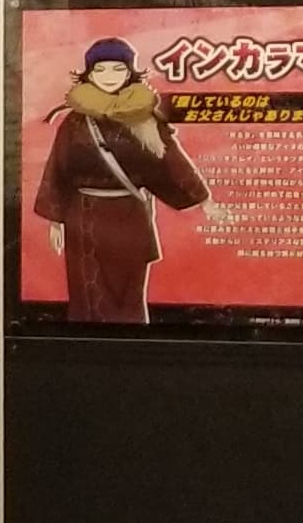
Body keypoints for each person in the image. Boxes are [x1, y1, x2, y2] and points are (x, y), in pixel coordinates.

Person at [29, 38, 210, 324]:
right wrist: (55, 219)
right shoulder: (76, 121)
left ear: (130, 73)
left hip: (129, 217)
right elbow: (58, 168)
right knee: (87, 294)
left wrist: (202, 198)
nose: (109, 76)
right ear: (89, 74)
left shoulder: (144, 117)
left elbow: (169, 161)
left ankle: (132, 342)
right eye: (100, 69)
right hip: (84, 218)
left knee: (128, 295)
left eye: (118, 68)